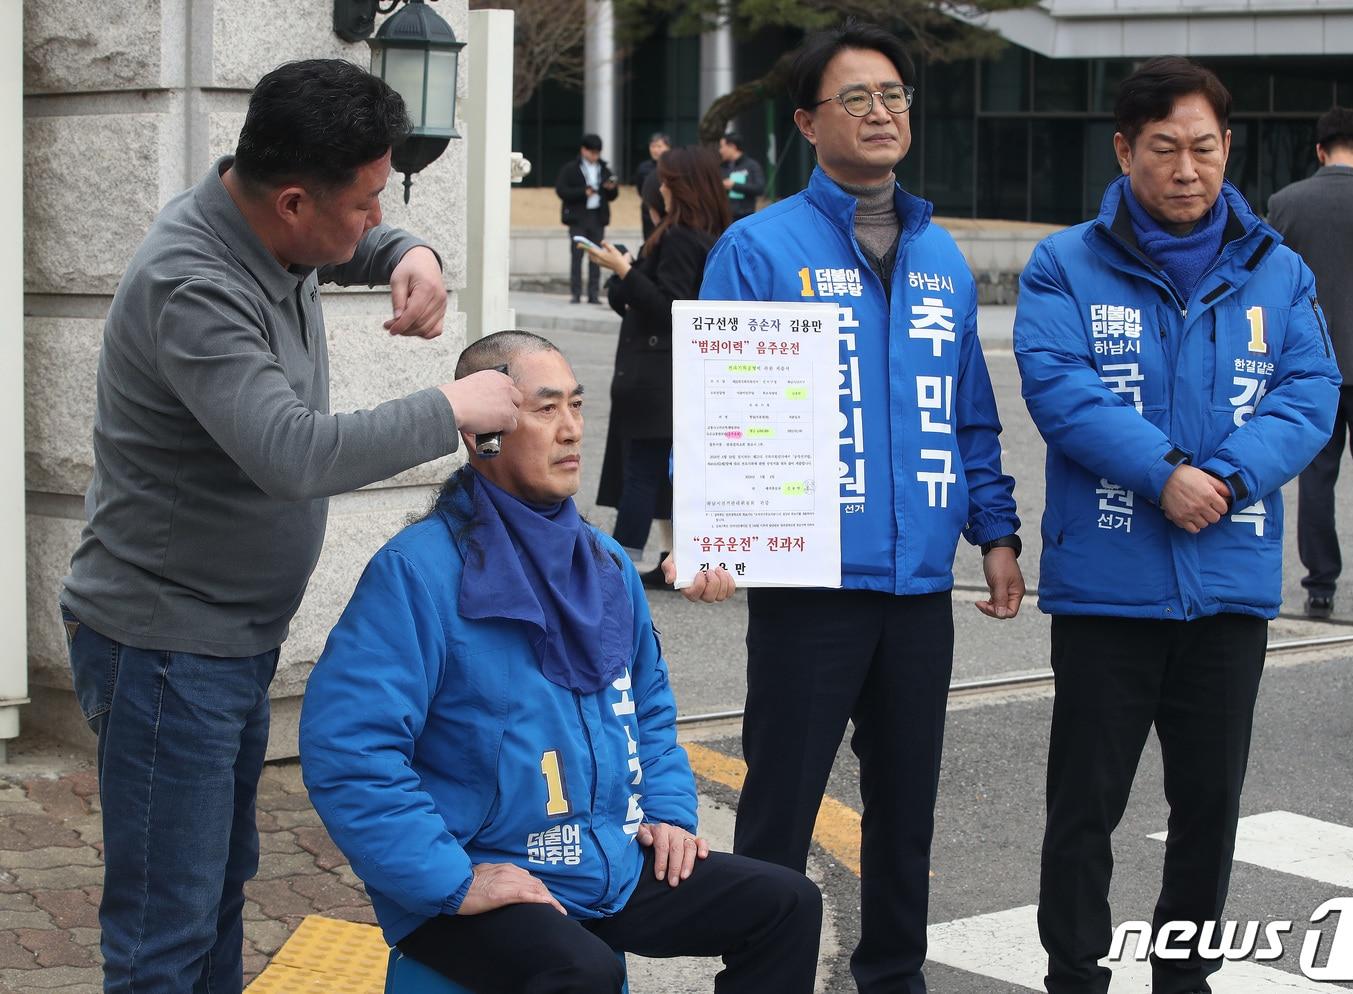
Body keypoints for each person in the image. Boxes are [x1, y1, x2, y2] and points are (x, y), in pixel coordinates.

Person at [56, 60, 523, 994]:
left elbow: (347, 239)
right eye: (367, 203)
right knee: (164, 934)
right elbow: (293, 454)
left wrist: (404, 252)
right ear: (297, 201)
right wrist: (451, 407)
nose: (371, 215)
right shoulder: (194, 283)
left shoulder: (270, 230)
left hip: (219, 643)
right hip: (164, 650)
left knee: (215, 894)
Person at [299, 331, 819, 994]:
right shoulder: (416, 575)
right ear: (483, 432)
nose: (571, 429)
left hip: (605, 861)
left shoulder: (603, 564)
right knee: (582, 971)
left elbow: (649, 706)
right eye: (546, 411)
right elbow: (349, 748)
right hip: (480, 876)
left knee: (786, 904)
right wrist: (451, 879)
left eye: (577, 406)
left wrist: (666, 811)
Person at [700, 19, 1024, 992]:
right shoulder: (758, 249)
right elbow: (714, 406)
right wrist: (715, 531)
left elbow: (969, 407)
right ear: (805, 122)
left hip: (918, 583)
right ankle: (758, 981)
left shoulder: (940, 260)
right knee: (778, 810)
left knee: (905, 808)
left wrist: (996, 531)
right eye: (856, 98)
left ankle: (892, 976)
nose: (881, 113)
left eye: (893, 96)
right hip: (808, 585)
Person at [1013, 57, 1341, 994]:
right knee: (1085, 808)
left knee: (1210, 809)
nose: (1187, 169)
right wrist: (1163, 477)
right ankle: (1074, 975)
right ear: (1125, 151)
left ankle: (1181, 979)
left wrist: (1226, 480)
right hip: (1107, 590)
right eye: (1165, 149)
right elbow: (1059, 387)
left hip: (1227, 586)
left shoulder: (1278, 269)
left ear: (1227, 149)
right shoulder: (1065, 263)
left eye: (1205, 148)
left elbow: (1310, 391)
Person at [1268, 107, 1353, 626]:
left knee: (1316, 478)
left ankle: (1319, 587)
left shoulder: (1285, 204)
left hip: (1308, 367)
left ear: (1320, 151)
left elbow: (1271, 285)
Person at [582, 147, 731, 584]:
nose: (661, 188)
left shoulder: (683, 237)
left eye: (668, 181)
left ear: (683, 187)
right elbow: (640, 300)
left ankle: (620, 567)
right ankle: (659, 560)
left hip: (659, 375)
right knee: (655, 471)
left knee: (642, 472)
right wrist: (623, 271)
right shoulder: (696, 234)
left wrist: (626, 272)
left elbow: (672, 308)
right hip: (663, 374)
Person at [556, 133, 619, 303]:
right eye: (591, 152)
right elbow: (561, 190)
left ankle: (593, 294)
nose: (594, 156)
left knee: (596, 256)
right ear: (583, 150)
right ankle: (576, 293)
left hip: (597, 217)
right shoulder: (571, 168)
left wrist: (610, 188)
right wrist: (583, 192)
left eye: (597, 153)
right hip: (577, 218)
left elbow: (613, 195)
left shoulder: (604, 169)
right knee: (577, 255)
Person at [717, 132, 766, 220]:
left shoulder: (751, 165)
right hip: (724, 217)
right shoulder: (721, 167)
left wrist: (733, 185)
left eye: (722, 146)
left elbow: (759, 188)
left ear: (732, 146)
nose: (720, 150)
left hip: (745, 216)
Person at [635, 132, 671, 240]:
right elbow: (640, 189)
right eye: (653, 146)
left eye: (659, 146)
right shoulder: (643, 168)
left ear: (668, 147)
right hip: (649, 210)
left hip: (669, 210)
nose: (656, 150)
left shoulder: (674, 165)